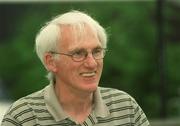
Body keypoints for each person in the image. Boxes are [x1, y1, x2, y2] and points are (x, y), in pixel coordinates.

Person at [1, 10, 150, 126]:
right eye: (78, 53)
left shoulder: (125, 107)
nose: (92, 63)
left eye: (97, 51)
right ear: (50, 61)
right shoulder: (22, 117)